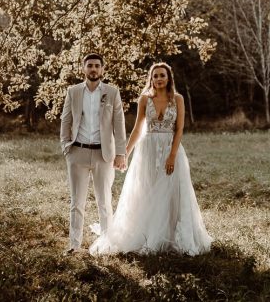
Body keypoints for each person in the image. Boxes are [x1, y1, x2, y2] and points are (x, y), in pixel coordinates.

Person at [90, 62, 212, 256]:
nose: (158, 79)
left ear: (169, 78)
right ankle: (147, 233)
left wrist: (172, 156)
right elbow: (138, 128)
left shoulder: (178, 99)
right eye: (155, 76)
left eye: (162, 75)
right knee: (147, 189)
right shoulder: (145, 99)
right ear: (151, 79)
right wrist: (125, 153)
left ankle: (171, 234)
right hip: (148, 150)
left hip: (170, 149)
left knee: (171, 191)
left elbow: (179, 129)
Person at [60, 53, 127, 254]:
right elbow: (66, 120)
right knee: (76, 202)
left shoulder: (112, 92)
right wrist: (66, 146)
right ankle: (74, 245)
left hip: (103, 154)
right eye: (90, 65)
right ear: (84, 68)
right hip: (77, 152)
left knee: (104, 201)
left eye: (97, 65)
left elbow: (119, 123)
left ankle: (106, 244)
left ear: (102, 69)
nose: (93, 69)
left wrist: (121, 153)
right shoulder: (73, 91)